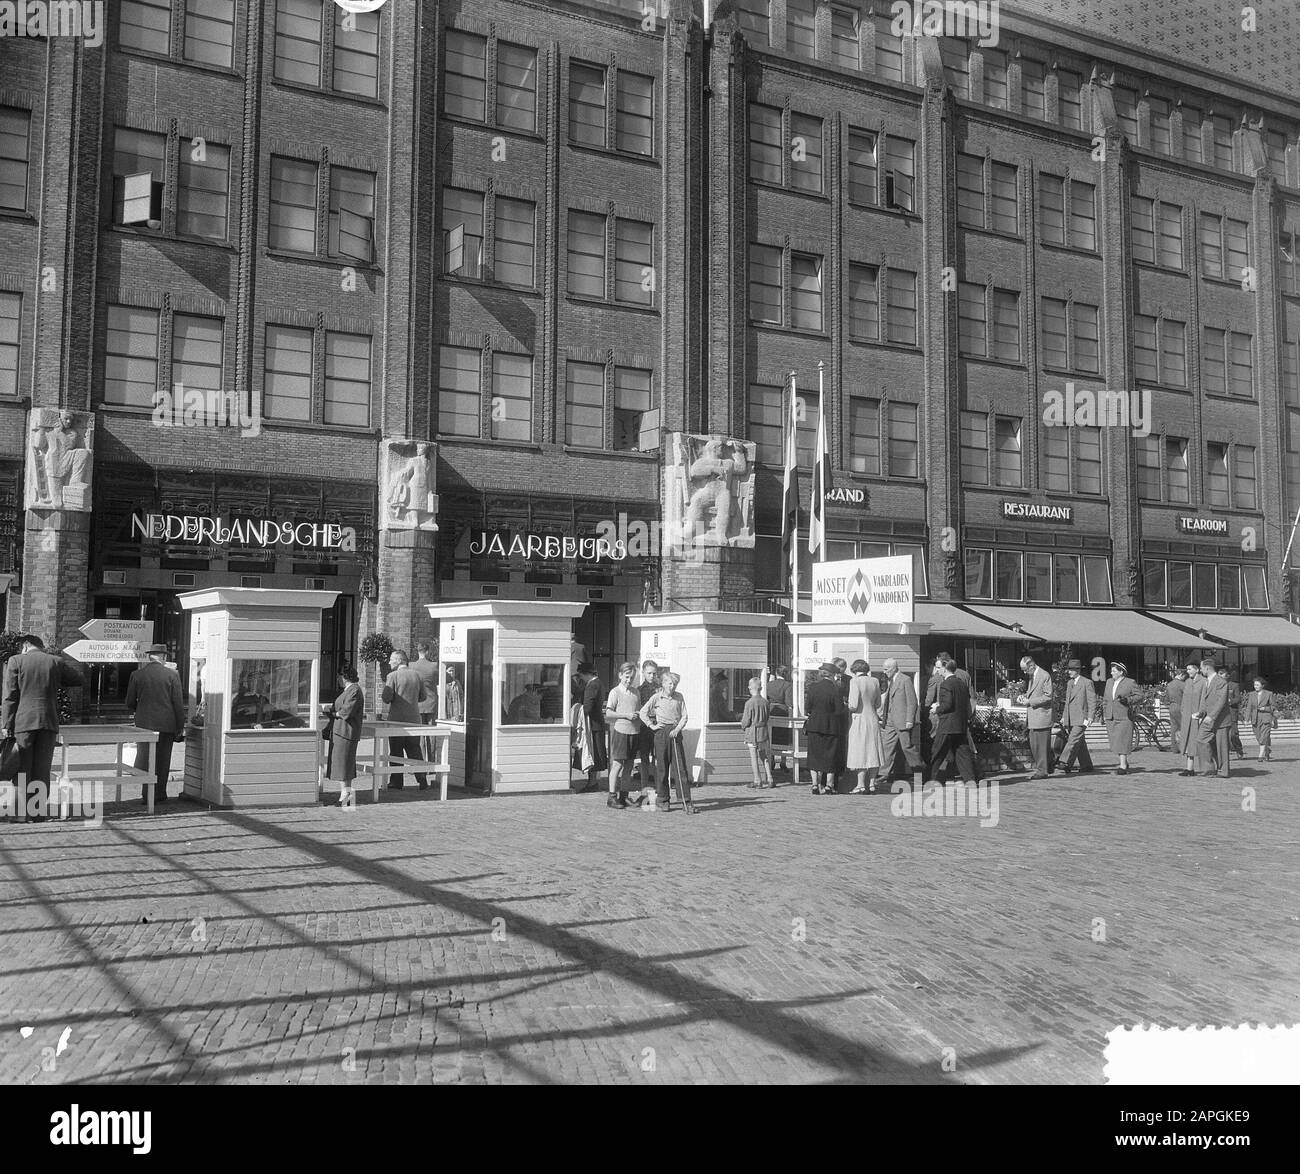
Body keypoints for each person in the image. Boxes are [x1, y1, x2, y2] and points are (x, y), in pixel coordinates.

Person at [1, 634, 85, 822]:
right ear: (40, 646)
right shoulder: (55, 661)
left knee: (22, 768)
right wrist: (54, 680)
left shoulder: (16, 661)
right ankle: (38, 813)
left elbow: (10, 697)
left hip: (23, 722)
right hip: (48, 722)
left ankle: (21, 814)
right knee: (42, 768)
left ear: (25, 645)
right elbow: (78, 679)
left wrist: (6, 725)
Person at [126, 643, 186, 807]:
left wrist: (140, 710)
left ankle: (147, 794)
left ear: (149, 656)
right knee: (163, 760)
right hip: (166, 724)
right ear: (164, 657)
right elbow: (178, 704)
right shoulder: (172, 675)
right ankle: (160, 794)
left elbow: (129, 702)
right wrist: (180, 726)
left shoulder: (137, 675)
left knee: (146, 759)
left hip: (144, 724)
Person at [638, 670, 693, 814]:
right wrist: (652, 725)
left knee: (680, 768)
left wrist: (678, 729)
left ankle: (685, 800)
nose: (672, 686)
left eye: (675, 684)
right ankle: (663, 800)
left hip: (675, 733)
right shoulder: (656, 697)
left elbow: (684, 716)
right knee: (662, 768)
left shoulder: (679, 697)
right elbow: (643, 712)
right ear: (663, 684)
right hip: (661, 734)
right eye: (670, 683)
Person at [381, 649, 428, 790]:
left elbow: (386, 698)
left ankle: (397, 781)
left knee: (396, 750)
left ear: (400, 660)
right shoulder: (417, 675)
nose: (389, 662)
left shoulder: (392, 676)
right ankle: (422, 779)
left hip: (396, 720)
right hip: (414, 719)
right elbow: (423, 697)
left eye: (391, 659)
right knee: (414, 750)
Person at [928, 658, 978, 786]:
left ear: (944, 669)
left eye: (939, 668)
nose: (938, 670)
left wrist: (936, 709)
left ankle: (934, 780)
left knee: (937, 752)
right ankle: (970, 780)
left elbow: (948, 704)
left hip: (947, 725)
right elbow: (964, 703)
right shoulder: (961, 683)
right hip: (960, 725)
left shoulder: (946, 684)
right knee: (963, 754)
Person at [322, 664, 364, 807]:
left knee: (344, 764)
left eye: (339, 676)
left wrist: (333, 713)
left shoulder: (355, 690)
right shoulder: (348, 690)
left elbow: (347, 711)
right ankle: (345, 795)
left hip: (346, 732)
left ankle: (346, 796)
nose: (338, 679)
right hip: (340, 731)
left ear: (344, 677)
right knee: (342, 764)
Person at [604, 662, 642, 809]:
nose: (628, 680)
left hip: (634, 732)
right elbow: (608, 713)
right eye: (626, 677)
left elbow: (638, 710)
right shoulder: (615, 692)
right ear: (620, 675)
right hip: (620, 732)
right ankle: (612, 797)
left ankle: (624, 796)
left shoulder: (636, 692)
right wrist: (625, 715)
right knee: (617, 765)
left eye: (631, 677)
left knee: (629, 766)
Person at [880, 658, 924, 784]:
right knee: (887, 746)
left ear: (894, 668)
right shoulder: (890, 681)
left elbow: (912, 702)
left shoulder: (905, 680)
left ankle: (919, 771)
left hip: (902, 721)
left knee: (907, 747)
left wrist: (910, 720)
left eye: (886, 669)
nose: (884, 672)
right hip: (890, 720)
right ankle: (884, 773)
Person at [804, 663, 846, 795]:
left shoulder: (813, 687)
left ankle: (815, 785)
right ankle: (829, 785)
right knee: (830, 755)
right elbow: (839, 710)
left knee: (814, 755)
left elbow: (807, 708)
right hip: (831, 727)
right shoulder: (836, 689)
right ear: (833, 675)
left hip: (815, 725)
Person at [845, 660, 884, 794]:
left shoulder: (854, 681)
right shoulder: (875, 681)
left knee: (860, 751)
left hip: (859, 719)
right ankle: (872, 784)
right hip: (872, 718)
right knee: (873, 751)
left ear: (854, 670)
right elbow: (879, 703)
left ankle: (860, 784)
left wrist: (846, 704)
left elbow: (853, 705)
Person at [1057, 659, 1099, 775]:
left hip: (1082, 718)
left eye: (1071, 669)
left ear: (1077, 670)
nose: (1068, 672)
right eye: (1068, 669)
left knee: (1073, 739)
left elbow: (1092, 701)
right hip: (1071, 717)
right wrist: (1065, 717)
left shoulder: (1087, 682)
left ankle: (1063, 761)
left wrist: (1090, 716)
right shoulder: (1070, 683)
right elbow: (1067, 702)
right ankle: (1087, 765)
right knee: (1080, 742)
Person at [1017, 654, 1055, 779]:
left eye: (1025, 669)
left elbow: (1048, 696)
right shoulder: (1032, 676)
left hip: (1042, 716)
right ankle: (1048, 764)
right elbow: (1033, 693)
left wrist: (1030, 702)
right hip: (1034, 717)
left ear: (1031, 665)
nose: (1024, 672)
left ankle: (1042, 771)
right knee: (1035, 745)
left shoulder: (1044, 675)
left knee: (1040, 746)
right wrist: (1024, 697)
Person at [574, 662, 608, 792]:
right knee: (594, 754)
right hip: (597, 723)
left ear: (586, 674)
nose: (581, 678)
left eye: (581, 675)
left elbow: (587, 707)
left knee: (590, 753)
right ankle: (593, 781)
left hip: (591, 725)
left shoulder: (592, 685)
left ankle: (592, 783)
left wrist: (577, 711)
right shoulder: (598, 683)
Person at [1194, 658, 1230, 778]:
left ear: (1207, 668)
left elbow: (1221, 701)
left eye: (1201, 667)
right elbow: (1205, 700)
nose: (1200, 670)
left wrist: (1212, 716)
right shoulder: (1206, 681)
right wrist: (1201, 712)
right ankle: (1208, 769)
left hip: (1220, 720)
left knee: (1221, 746)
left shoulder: (1221, 682)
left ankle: (1223, 772)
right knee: (1201, 739)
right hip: (1208, 719)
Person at [630, 660, 660, 801]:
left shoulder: (661, 689)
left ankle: (660, 789)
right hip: (644, 727)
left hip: (658, 726)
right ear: (643, 673)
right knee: (644, 759)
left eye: (654, 673)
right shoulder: (639, 690)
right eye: (649, 673)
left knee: (659, 758)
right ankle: (644, 789)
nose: (652, 676)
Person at [1103, 660, 1138, 775]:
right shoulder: (1109, 682)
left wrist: (1128, 700)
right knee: (1115, 742)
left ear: (1121, 672)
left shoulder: (1130, 682)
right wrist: (1104, 714)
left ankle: (1122, 766)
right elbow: (1106, 700)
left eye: (1114, 671)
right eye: (1111, 670)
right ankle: (1124, 762)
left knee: (1122, 740)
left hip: (1124, 716)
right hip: (1111, 716)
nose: (1111, 672)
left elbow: (1140, 695)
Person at [740, 676, 774, 789]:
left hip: (753, 732)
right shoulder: (765, 702)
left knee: (753, 757)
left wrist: (743, 726)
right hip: (763, 731)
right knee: (764, 756)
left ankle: (757, 780)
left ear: (750, 688)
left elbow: (746, 720)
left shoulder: (749, 703)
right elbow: (768, 716)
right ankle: (770, 778)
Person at [1176, 658, 1205, 777]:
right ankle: (1189, 768)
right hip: (1187, 716)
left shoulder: (1204, 682)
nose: (1188, 671)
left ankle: (1210, 766)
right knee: (1188, 741)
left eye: (1190, 669)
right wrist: (1183, 710)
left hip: (1197, 716)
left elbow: (1204, 699)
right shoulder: (1187, 682)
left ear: (1197, 669)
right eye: (1187, 669)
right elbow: (1184, 699)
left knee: (1197, 742)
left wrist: (1201, 713)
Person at [412, 640, 439, 760]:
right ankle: (432, 762)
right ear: (427, 652)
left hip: (417, 704)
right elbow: (447, 679)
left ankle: (421, 762)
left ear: (418, 651)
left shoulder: (411, 666)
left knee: (419, 735)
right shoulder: (434, 666)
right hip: (431, 703)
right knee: (431, 734)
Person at [1244, 676, 1276, 762]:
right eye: (1255, 685)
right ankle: (1266, 750)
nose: (1255, 686)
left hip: (1266, 718)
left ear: (1262, 685)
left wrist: (1265, 709)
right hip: (1255, 719)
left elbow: (1273, 707)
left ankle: (1260, 756)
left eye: (1257, 685)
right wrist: (1246, 719)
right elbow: (1249, 707)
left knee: (1263, 737)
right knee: (1258, 737)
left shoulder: (1269, 694)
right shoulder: (1251, 694)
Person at [1218, 667, 1245, 759]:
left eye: (1223, 674)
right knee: (1222, 735)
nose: (1221, 677)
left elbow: (1238, 698)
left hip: (1231, 712)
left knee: (1233, 734)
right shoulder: (1216, 686)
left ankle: (1238, 748)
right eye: (1219, 674)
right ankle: (1224, 753)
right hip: (1220, 714)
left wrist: (1230, 701)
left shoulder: (1234, 685)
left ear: (1228, 676)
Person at [1166, 666, 1187, 748]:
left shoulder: (1169, 684)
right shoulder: (1182, 684)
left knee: (1174, 727)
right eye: (1185, 676)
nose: (1185, 677)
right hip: (1180, 706)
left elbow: (1167, 698)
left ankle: (1174, 747)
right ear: (1181, 674)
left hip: (1172, 706)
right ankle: (1183, 746)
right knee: (1183, 726)